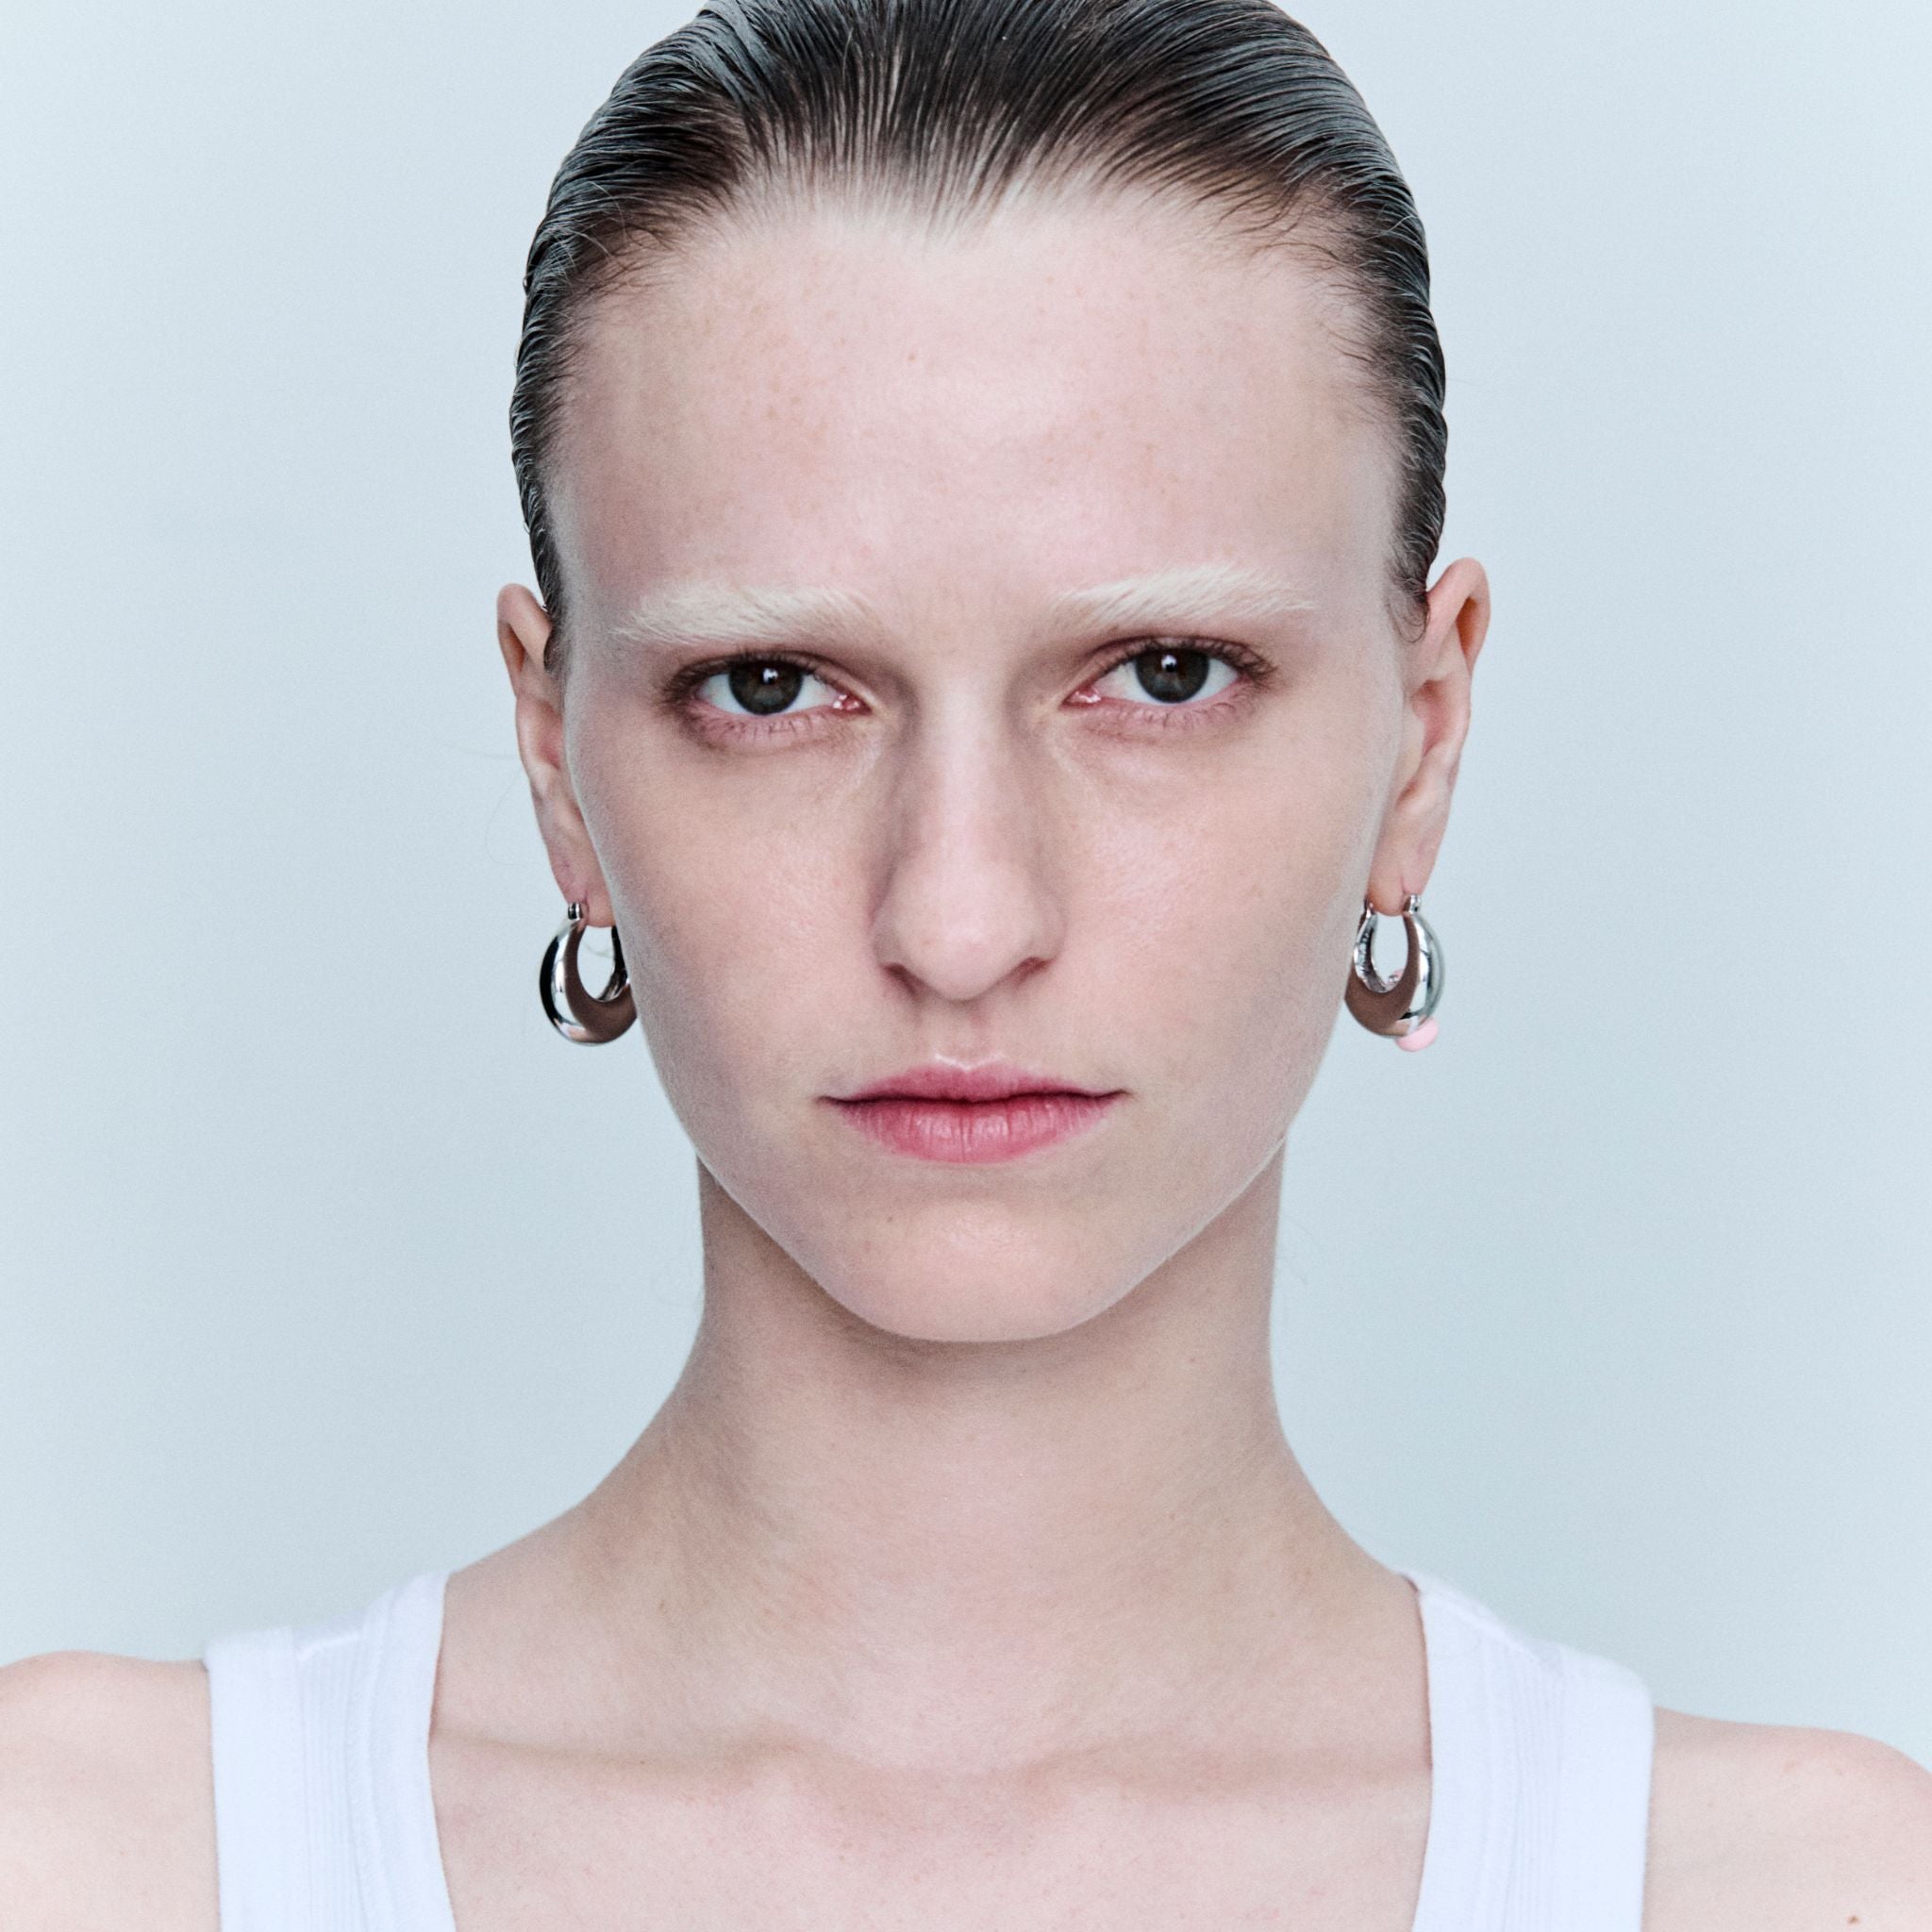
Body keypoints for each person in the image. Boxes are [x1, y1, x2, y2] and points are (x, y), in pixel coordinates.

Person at [5, 1, 1930, 1925]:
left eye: (1160, 677)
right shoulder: (88, 1857)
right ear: (556, 755)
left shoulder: (1799, 1889)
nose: (957, 918)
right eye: (771, 688)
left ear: (1420, 738)